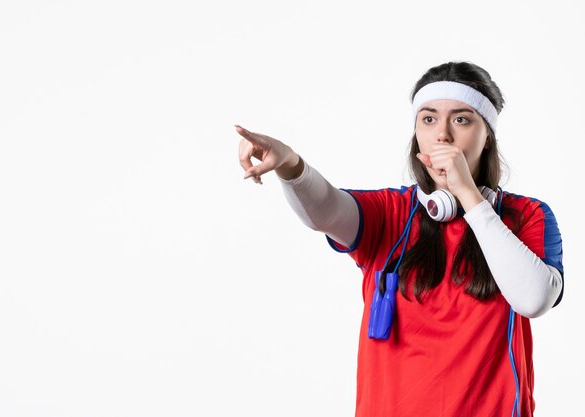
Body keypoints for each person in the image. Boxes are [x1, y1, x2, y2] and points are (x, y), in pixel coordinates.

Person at [235, 61, 564, 417]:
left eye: (462, 119)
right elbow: (326, 210)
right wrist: (290, 165)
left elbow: (534, 299)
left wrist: (470, 198)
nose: (443, 135)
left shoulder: (527, 216)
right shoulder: (391, 213)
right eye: (428, 119)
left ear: (487, 138)